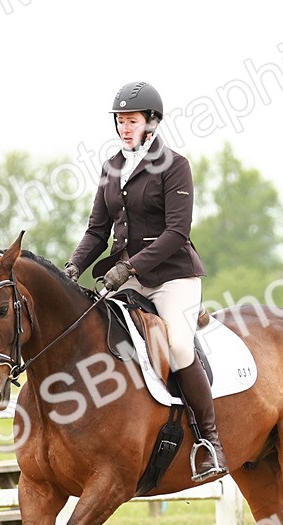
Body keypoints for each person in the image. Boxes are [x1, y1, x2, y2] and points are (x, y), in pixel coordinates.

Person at [64, 81, 227, 482]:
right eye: (120, 120)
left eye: (131, 120)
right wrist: (71, 269)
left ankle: (210, 441)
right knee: (97, 337)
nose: (124, 126)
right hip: (126, 277)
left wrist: (131, 267)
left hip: (172, 277)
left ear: (151, 123)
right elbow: (96, 230)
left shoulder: (174, 165)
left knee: (176, 345)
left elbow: (176, 231)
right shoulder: (112, 167)